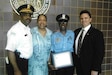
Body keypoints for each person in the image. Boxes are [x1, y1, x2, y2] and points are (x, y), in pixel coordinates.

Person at [5, 4, 35, 75]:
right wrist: (16, 70)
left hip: (26, 63)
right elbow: (10, 51)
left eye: (29, 15)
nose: (28, 17)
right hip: (17, 63)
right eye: (25, 15)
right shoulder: (14, 30)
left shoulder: (28, 29)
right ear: (20, 15)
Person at [74, 10, 105, 75]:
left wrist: (95, 69)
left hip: (90, 68)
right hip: (79, 66)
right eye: (81, 18)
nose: (83, 20)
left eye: (86, 18)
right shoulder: (76, 32)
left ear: (90, 19)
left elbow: (99, 53)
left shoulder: (97, 34)